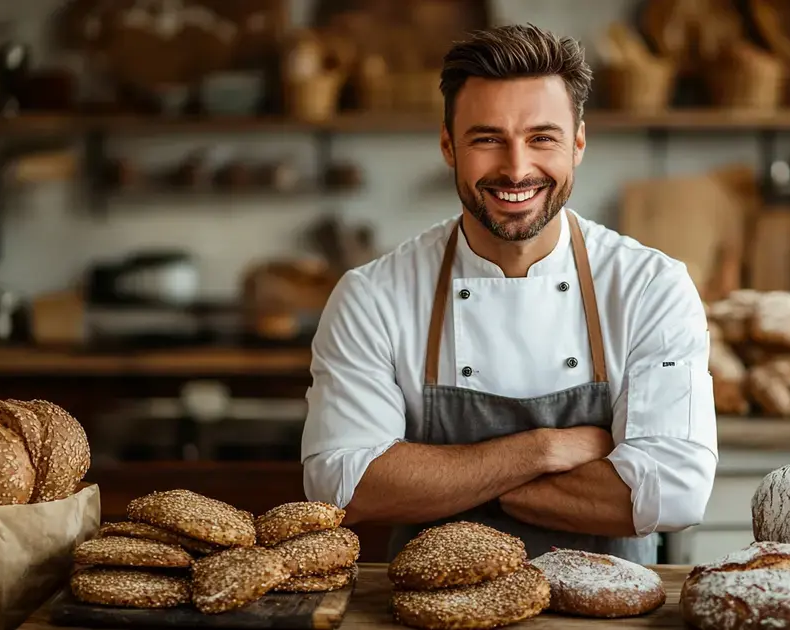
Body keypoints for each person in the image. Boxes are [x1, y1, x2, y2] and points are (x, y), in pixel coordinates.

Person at [301, 23, 717, 564]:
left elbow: (675, 492)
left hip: (608, 617)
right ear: (449, 146)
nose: (516, 168)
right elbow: (342, 486)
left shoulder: (650, 288)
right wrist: (548, 449)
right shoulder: (373, 297)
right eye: (487, 138)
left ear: (580, 143)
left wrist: (443, 480)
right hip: (433, 615)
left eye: (542, 137)